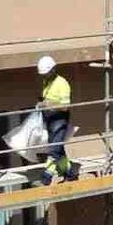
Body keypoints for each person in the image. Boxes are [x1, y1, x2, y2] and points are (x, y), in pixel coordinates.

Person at [37, 54, 75, 182]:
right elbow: (46, 99)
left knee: (54, 150)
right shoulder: (47, 81)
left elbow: (66, 106)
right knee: (58, 148)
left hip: (59, 119)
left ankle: (47, 174)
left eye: (46, 73)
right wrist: (42, 104)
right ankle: (69, 174)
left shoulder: (62, 83)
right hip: (50, 118)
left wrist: (49, 104)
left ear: (53, 69)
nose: (44, 75)